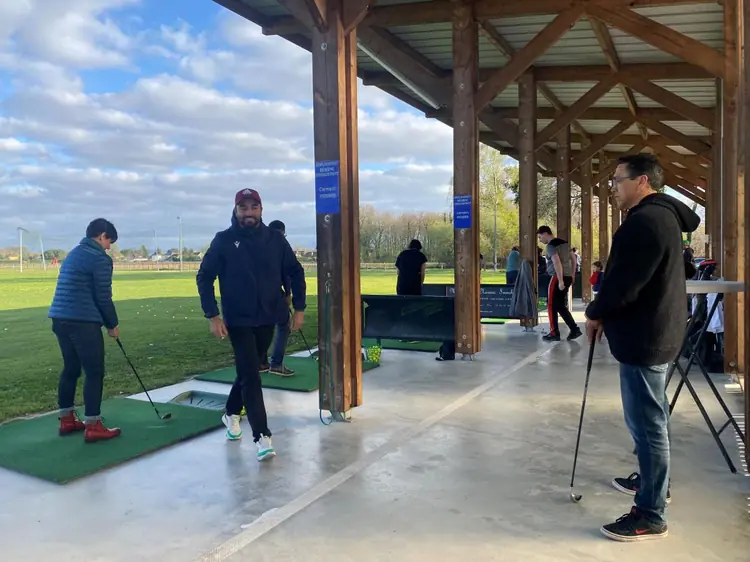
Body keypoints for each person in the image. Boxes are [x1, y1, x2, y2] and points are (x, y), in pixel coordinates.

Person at [585, 153, 699, 542]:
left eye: (618, 180)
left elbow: (623, 284)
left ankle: (650, 513)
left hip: (645, 337)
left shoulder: (645, 222)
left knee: (648, 425)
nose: (613, 188)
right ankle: (653, 484)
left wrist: (596, 312)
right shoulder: (662, 218)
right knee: (654, 419)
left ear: (642, 181)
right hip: (657, 332)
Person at [197, 188, 306, 461]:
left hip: (268, 316)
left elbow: (295, 271)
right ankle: (262, 436)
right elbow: (205, 276)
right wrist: (213, 315)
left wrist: (300, 308)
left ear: (261, 210)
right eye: (243, 207)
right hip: (238, 319)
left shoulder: (275, 240)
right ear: (236, 210)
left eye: (253, 207)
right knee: (252, 376)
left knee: (249, 370)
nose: (249, 212)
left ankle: (231, 412)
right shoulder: (223, 240)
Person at [48, 218, 122, 442]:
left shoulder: (74, 253)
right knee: (94, 372)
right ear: (101, 236)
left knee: (71, 368)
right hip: (83, 322)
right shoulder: (99, 258)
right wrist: (112, 324)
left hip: (60, 319)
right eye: (109, 241)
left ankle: (67, 420)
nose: (108, 247)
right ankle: (93, 425)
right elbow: (103, 297)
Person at [260, 219, 295, 377]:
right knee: (283, 325)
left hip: (255, 295)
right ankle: (276, 363)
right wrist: (288, 293)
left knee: (262, 326)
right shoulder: (281, 246)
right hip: (274, 294)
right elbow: (285, 273)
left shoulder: (258, 244)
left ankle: (261, 362)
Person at [536, 226, 582, 342]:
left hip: (557, 277)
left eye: (540, 237)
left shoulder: (551, 246)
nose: (540, 240)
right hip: (567, 276)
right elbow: (574, 259)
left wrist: (560, 280)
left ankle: (554, 333)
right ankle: (574, 329)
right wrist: (572, 275)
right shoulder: (565, 244)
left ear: (545, 233)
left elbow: (556, 262)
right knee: (560, 305)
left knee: (551, 305)